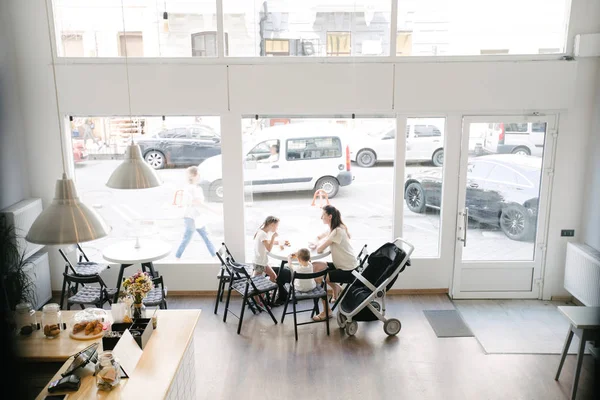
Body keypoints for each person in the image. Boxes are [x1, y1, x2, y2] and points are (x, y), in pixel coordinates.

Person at [311, 204, 357, 321]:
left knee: (318, 276)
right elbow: (320, 237)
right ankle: (336, 289)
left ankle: (327, 311)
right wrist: (316, 241)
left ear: (330, 216)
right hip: (343, 264)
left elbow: (320, 249)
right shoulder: (335, 227)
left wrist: (318, 244)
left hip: (347, 270)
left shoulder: (337, 231)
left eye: (323, 215)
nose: (321, 217)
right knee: (315, 266)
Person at [175, 166, 217, 260]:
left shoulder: (192, 187)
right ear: (195, 175)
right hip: (191, 217)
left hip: (196, 217)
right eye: (198, 174)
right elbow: (198, 203)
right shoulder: (192, 188)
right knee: (188, 238)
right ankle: (177, 257)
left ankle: (215, 256)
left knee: (205, 236)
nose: (200, 176)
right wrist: (214, 210)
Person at [252, 216, 280, 283]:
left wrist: (278, 242)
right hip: (260, 263)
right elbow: (269, 248)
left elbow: (266, 242)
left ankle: (265, 292)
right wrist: (273, 237)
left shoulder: (261, 231)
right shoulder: (263, 234)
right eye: (277, 226)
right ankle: (263, 292)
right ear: (272, 225)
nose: (277, 228)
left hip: (259, 261)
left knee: (273, 276)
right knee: (257, 283)